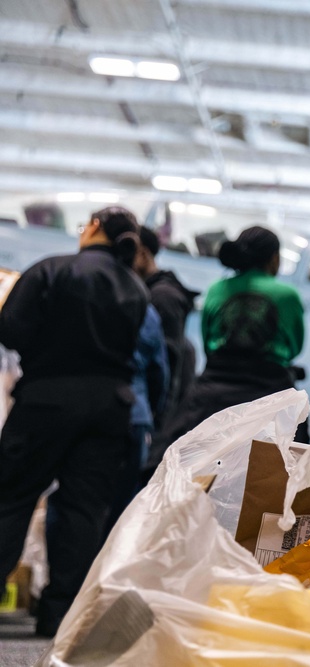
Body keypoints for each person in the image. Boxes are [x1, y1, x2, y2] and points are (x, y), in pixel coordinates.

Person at [0, 206, 148, 637]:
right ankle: (59, 615)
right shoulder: (134, 288)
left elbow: (10, 330)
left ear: (94, 228)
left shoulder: (50, 270)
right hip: (109, 407)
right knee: (84, 509)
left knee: (12, 497)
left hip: (47, 398)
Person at [159, 225, 309, 444]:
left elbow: (208, 341)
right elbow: (295, 345)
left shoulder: (216, 289)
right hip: (271, 391)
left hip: (213, 391)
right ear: (274, 259)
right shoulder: (287, 295)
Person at [132, 226, 199, 482]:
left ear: (143, 253)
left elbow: (169, 366)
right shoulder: (152, 292)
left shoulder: (163, 298)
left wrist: (160, 425)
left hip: (154, 418)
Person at [103, 303, 169, 540]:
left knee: (73, 501)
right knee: (122, 510)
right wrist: (152, 415)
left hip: (76, 407)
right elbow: (159, 373)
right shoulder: (145, 309)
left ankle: (65, 577)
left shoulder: (75, 286)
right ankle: (103, 574)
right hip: (133, 413)